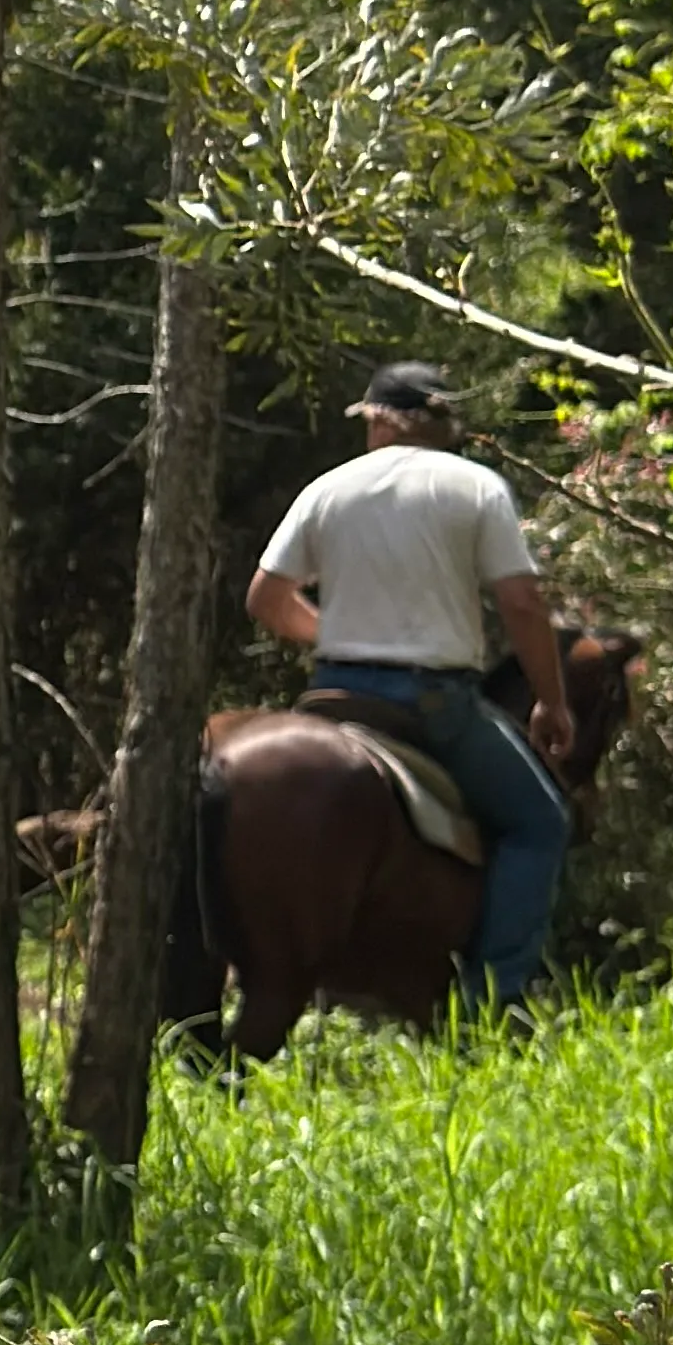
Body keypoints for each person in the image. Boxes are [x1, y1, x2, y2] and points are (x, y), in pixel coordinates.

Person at [247, 359, 574, 1001]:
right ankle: (494, 1002)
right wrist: (552, 701)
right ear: (442, 425)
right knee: (540, 824)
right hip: (431, 703)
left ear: (377, 420)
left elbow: (266, 598)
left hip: (335, 695)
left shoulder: (328, 488)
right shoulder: (475, 488)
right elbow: (523, 604)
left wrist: (341, 632)